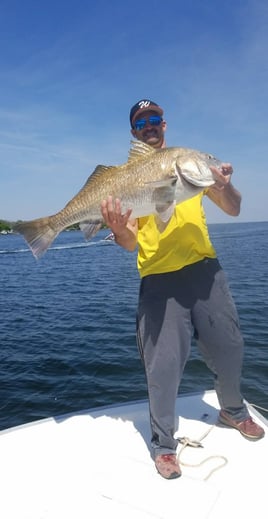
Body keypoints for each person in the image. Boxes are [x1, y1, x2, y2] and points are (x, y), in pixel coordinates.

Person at [100, 99, 265, 480]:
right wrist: (122, 230)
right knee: (163, 367)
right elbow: (129, 243)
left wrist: (223, 183)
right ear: (134, 133)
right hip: (159, 280)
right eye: (142, 123)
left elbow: (234, 208)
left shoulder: (187, 166)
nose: (150, 126)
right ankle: (163, 444)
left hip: (206, 273)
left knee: (230, 348)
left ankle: (234, 411)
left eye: (155, 119)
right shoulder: (129, 178)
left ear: (165, 124)